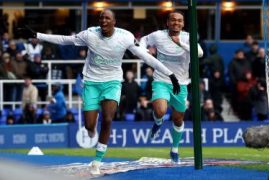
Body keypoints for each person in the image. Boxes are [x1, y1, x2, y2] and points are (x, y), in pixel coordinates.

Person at [19, 9, 180, 174]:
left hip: (112, 82)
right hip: (91, 83)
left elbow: (147, 58)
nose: (103, 21)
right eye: (101, 18)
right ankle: (92, 129)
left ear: (114, 22)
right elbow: (65, 40)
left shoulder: (125, 37)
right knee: (89, 126)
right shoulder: (90, 34)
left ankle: (97, 160)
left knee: (108, 119)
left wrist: (170, 74)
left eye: (107, 18)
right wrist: (37, 35)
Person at [140, 10, 203, 163]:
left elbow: (199, 53)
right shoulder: (158, 35)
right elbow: (143, 39)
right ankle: (158, 121)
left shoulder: (188, 37)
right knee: (160, 110)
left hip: (181, 84)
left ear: (183, 23)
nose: (176, 23)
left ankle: (174, 149)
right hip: (162, 80)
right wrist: (143, 49)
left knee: (178, 119)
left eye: (180, 20)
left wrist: (179, 43)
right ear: (167, 22)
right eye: (173, 20)